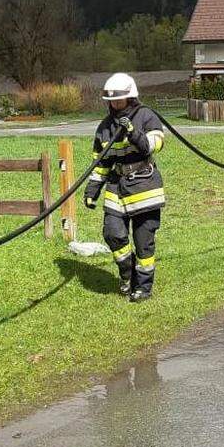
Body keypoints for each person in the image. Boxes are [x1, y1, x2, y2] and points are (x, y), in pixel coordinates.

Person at [83, 73, 166, 302]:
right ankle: (127, 274)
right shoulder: (104, 128)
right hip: (116, 187)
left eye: (119, 100)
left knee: (143, 242)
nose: (114, 105)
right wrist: (92, 191)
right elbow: (101, 163)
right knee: (113, 234)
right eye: (111, 101)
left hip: (144, 186)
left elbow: (153, 145)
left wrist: (132, 132)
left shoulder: (147, 116)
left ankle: (144, 287)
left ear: (131, 98)